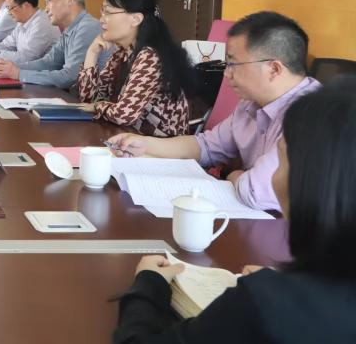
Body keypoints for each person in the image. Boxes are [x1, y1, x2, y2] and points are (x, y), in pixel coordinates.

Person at [112, 80, 356, 343]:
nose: (228, 75)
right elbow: (207, 145)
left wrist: (149, 284)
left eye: (281, 159)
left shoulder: (263, 304)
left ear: (313, 178)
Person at [106, 11, 320, 212]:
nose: (226, 73)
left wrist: (232, 174)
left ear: (274, 69)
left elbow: (256, 192)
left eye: (233, 64)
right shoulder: (250, 104)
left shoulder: (311, 116)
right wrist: (144, 144)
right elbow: (206, 146)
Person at [77, 0, 195, 136]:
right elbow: (89, 100)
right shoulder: (122, 53)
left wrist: (98, 106)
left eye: (108, 12)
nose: (102, 19)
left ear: (136, 19)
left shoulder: (150, 56)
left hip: (160, 146)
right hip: (131, 138)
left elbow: (123, 115)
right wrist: (92, 53)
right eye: (102, 11)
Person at [0, 0, 101, 90]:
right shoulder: (70, 29)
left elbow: (70, 77)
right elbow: (49, 62)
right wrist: (12, 67)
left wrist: (18, 73)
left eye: (49, 0)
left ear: (70, 0)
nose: (46, 9)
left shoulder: (87, 28)